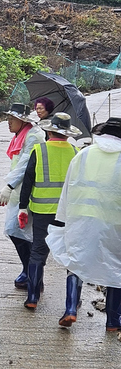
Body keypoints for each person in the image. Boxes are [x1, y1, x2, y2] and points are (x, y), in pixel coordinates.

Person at [46, 117, 121, 330]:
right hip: (113, 225)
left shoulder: (84, 155)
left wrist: (61, 221)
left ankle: (70, 309)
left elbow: (68, 190)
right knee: (116, 268)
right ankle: (113, 321)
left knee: (75, 260)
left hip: (81, 220)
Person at [18, 113, 80, 310]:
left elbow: (27, 180)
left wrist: (22, 207)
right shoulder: (76, 152)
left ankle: (32, 298)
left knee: (37, 252)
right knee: (72, 255)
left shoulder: (39, 149)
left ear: (49, 130)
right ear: (67, 134)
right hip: (67, 212)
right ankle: (71, 305)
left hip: (42, 210)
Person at [0, 103, 45, 289]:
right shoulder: (21, 135)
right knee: (17, 231)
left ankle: (32, 275)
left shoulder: (33, 136)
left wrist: (9, 185)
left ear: (22, 120)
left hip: (28, 193)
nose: (8, 122)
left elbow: (25, 165)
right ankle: (29, 272)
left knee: (21, 232)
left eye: (11, 119)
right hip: (19, 192)